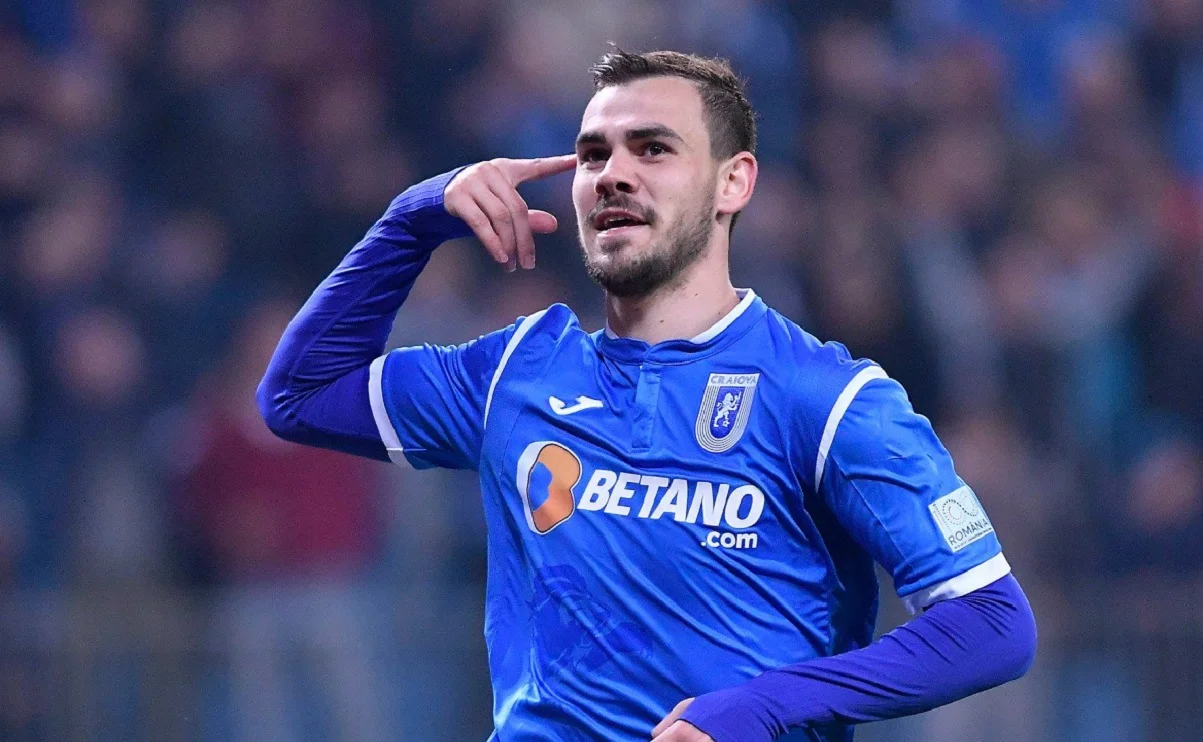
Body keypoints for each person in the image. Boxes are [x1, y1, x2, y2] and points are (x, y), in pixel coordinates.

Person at [258, 50, 1037, 742]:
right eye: (592, 154)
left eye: (653, 149)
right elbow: (299, 393)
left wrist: (766, 705)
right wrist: (412, 221)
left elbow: (992, 623)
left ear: (733, 181)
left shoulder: (826, 398)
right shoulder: (516, 373)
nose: (613, 173)